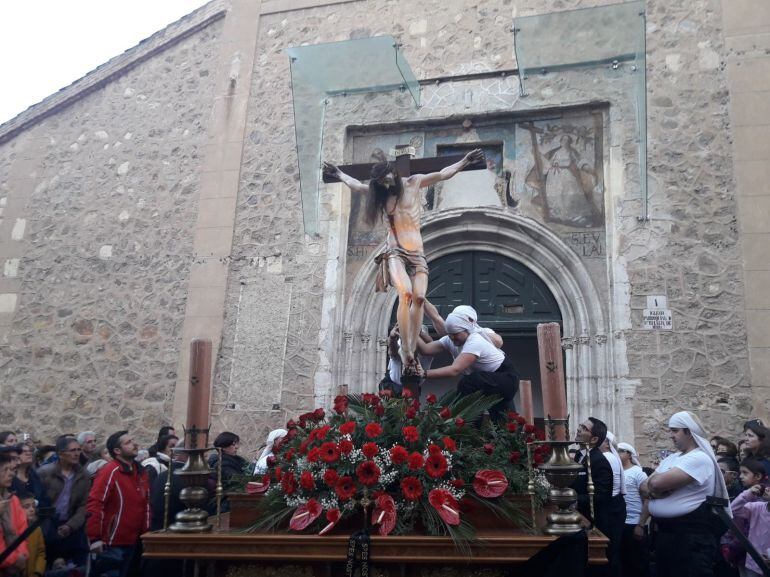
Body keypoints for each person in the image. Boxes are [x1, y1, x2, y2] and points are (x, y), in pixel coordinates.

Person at [324, 149, 483, 379]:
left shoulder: (414, 182)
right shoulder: (381, 196)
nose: (387, 183)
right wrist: (339, 173)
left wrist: (464, 160)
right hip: (395, 251)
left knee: (419, 298)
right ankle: (407, 350)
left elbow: (442, 174)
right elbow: (356, 185)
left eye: (388, 177)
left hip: (417, 252)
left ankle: (409, 344)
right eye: (382, 181)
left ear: (394, 172)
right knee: (406, 293)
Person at [641, 411, 730, 577]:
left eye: (675, 431)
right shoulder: (672, 458)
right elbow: (643, 487)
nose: (671, 436)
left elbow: (654, 483)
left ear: (689, 431)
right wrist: (658, 492)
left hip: (689, 538)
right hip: (666, 536)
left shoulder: (699, 458)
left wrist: (656, 487)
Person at [417, 312, 518, 421]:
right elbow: (426, 349)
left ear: (466, 330)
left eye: (455, 334)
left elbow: (454, 370)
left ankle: (461, 421)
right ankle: (471, 429)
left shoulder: (475, 341)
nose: (452, 337)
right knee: (502, 420)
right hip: (488, 381)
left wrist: (424, 373)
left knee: (468, 383)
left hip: (506, 379)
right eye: (450, 334)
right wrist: (413, 332)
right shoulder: (450, 339)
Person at [87, 430, 150, 577]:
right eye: (128, 442)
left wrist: (146, 532)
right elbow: (96, 502)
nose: (134, 444)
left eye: (133, 440)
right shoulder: (110, 471)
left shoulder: (140, 472)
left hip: (135, 540)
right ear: (117, 451)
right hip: (112, 541)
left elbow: (146, 503)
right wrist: (94, 538)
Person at [571, 417, 617, 577]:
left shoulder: (600, 461)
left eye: (584, 428)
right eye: (580, 425)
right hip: (578, 520)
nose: (578, 429)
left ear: (594, 438)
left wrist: (574, 500)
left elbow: (601, 495)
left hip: (594, 522)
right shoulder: (578, 455)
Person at [37, 436, 90, 569]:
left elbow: (84, 504)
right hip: (47, 527)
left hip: (71, 525)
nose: (76, 453)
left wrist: (71, 526)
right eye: (72, 450)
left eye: (78, 450)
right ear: (60, 454)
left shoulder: (83, 474)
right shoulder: (45, 473)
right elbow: (39, 503)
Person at [617, 442, 649, 577]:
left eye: (620, 451)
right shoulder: (616, 472)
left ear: (629, 454)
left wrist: (641, 524)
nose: (617, 453)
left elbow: (647, 499)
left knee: (636, 564)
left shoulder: (638, 472)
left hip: (634, 523)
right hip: (620, 523)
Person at [380, 324, 434, 397]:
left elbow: (431, 344)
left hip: (413, 387)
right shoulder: (401, 349)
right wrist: (392, 337)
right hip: (393, 386)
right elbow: (393, 351)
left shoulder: (425, 354)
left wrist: (418, 331)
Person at [730, 484, 770, 577]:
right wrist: (748, 494)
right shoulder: (757, 507)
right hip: (753, 564)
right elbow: (733, 510)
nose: (767, 489)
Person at [0, 451, 28, 576]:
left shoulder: (13, 500)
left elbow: (22, 530)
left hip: (17, 565)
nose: (11, 474)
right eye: (5, 469)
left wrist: (22, 554)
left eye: (12, 469)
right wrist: (11, 560)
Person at [17, 489, 45, 577]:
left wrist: (37, 572)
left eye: (33, 506)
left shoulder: (36, 529)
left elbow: (41, 553)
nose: (32, 509)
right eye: (27, 506)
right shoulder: (11, 531)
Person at [10, 443, 47, 507]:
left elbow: (43, 495)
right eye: (24, 451)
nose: (29, 453)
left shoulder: (34, 475)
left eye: (30, 451)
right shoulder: (10, 477)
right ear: (16, 456)